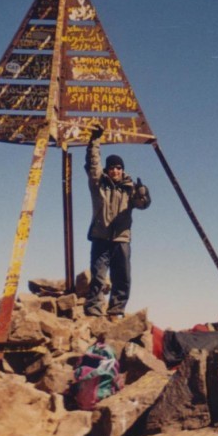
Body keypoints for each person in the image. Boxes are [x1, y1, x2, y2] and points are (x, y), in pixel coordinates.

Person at [84, 124, 151, 317]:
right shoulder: (98, 184)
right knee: (98, 277)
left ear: (123, 170)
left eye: (119, 168)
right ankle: (94, 312)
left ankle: (116, 311)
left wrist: (143, 194)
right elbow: (93, 164)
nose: (115, 171)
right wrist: (94, 141)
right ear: (107, 170)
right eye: (112, 168)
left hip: (122, 239)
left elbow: (142, 204)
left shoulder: (130, 188)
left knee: (122, 277)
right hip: (100, 237)